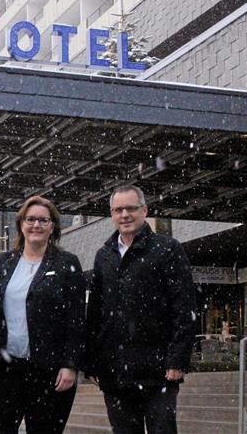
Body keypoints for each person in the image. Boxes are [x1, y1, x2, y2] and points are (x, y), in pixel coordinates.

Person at [84, 185, 196, 434]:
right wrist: (91, 362)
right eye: (118, 210)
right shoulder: (104, 255)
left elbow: (184, 307)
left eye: (131, 208)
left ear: (144, 210)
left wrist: (178, 358)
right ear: (112, 215)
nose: (124, 214)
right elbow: (95, 313)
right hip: (115, 372)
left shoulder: (168, 249)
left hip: (159, 371)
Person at [0, 196, 85, 434]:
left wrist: (71, 364)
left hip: (50, 372)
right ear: (21, 224)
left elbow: (76, 321)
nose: (36, 225)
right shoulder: (2, 262)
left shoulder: (67, 264)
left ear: (52, 227)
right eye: (30, 219)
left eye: (43, 220)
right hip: (4, 371)